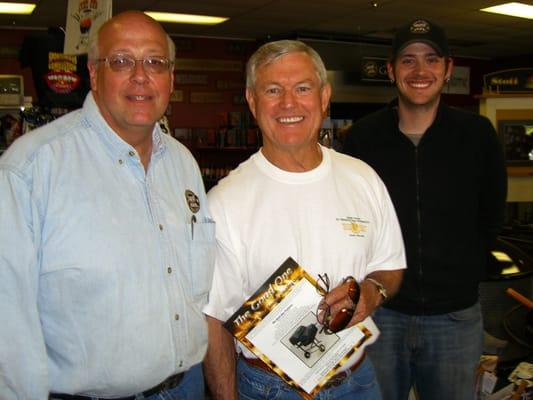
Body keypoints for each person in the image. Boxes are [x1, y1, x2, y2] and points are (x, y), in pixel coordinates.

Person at [0, 11, 214, 399]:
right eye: (121, 61)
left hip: (186, 387)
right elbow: (7, 322)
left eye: (154, 62)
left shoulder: (182, 162)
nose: (140, 76)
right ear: (94, 74)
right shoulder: (31, 169)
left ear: (170, 77)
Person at [203, 40, 406, 400]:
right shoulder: (224, 203)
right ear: (252, 101)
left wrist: (370, 293)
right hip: (270, 388)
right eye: (272, 90)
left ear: (324, 96)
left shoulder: (362, 178)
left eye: (302, 88)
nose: (288, 103)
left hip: (358, 381)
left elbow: (390, 267)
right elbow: (214, 319)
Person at [343, 18, 507, 400]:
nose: (420, 71)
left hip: (455, 318)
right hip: (382, 314)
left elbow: (491, 215)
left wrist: (464, 270)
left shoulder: (477, 135)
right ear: (390, 70)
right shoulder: (364, 138)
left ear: (448, 69)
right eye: (408, 60)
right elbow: (349, 219)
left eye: (431, 59)